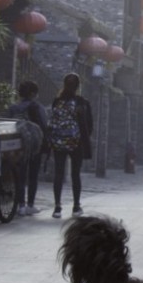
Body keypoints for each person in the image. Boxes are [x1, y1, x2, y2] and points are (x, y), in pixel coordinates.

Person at [47, 73, 93, 217]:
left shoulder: (57, 101)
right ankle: (76, 207)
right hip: (76, 142)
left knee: (58, 174)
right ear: (78, 86)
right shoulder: (82, 102)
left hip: (58, 142)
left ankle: (57, 207)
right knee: (75, 174)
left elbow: (51, 121)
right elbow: (89, 125)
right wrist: (83, 138)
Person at [8, 80, 48, 217]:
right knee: (33, 175)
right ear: (33, 93)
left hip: (19, 144)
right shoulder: (38, 107)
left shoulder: (14, 108)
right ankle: (30, 204)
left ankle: (21, 205)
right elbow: (44, 124)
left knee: (20, 175)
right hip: (35, 144)